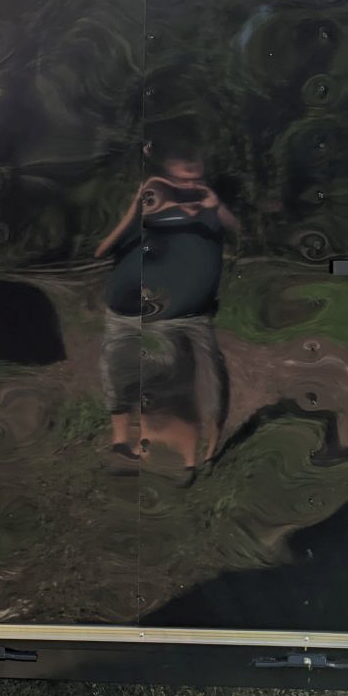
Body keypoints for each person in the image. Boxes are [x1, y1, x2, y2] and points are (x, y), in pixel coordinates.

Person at [95, 139, 237, 479]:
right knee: (120, 376)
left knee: (209, 382)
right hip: (126, 312)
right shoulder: (151, 211)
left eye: (195, 180)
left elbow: (237, 231)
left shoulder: (211, 213)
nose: (187, 187)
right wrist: (137, 207)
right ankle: (122, 445)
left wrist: (215, 205)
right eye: (180, 180)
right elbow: (103, 251)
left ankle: (209, 452)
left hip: (186, 316)